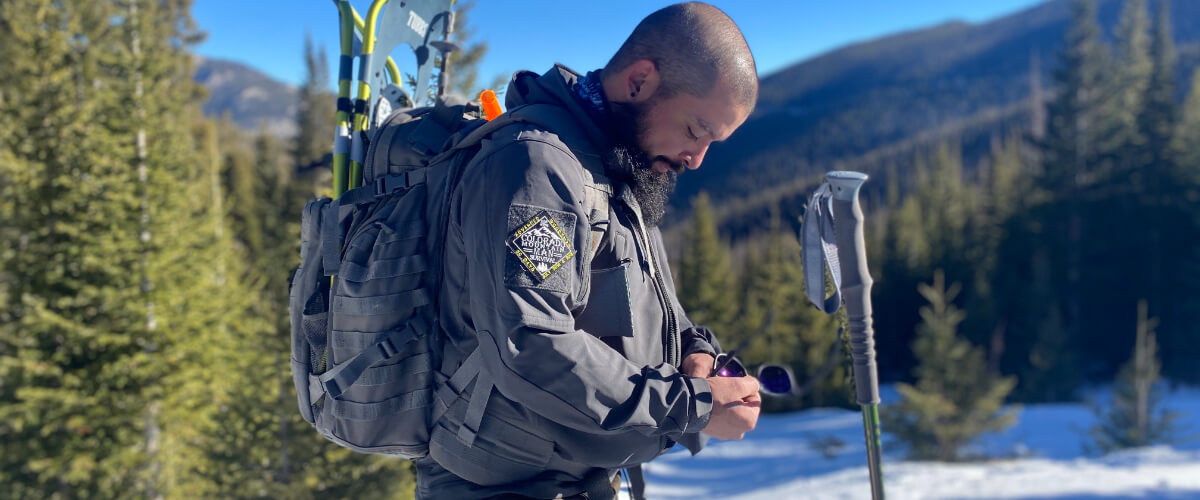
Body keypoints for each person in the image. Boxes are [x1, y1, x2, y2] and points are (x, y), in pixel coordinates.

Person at [421, 3, 761, 498]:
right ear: (640, 81)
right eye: (695, 131)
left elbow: (647, 306)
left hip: (574, 476)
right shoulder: (536, 168)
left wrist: (695, 353)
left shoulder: (612, 168)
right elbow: (531, 344)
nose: (696, 160)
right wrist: (691, 406)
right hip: (507, 484)